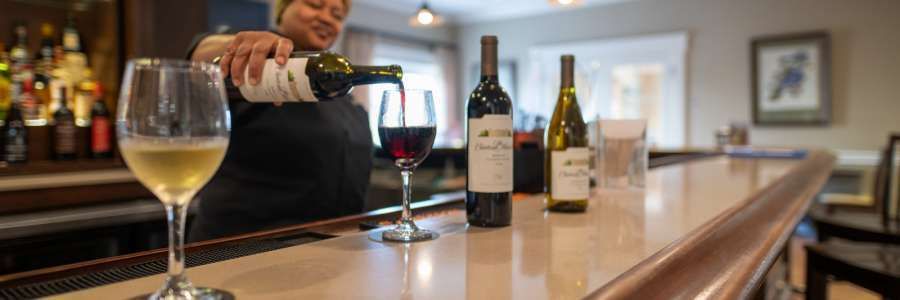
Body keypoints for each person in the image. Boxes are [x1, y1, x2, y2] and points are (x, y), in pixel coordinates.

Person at [186, 0, 370, 241]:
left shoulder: (335, 87)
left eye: (337, 14)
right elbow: (201, 56)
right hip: (241, 250)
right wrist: (240, 45)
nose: (326, 18)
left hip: (327, 250)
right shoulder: (260, 67)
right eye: (315, 4)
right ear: (282, 11)